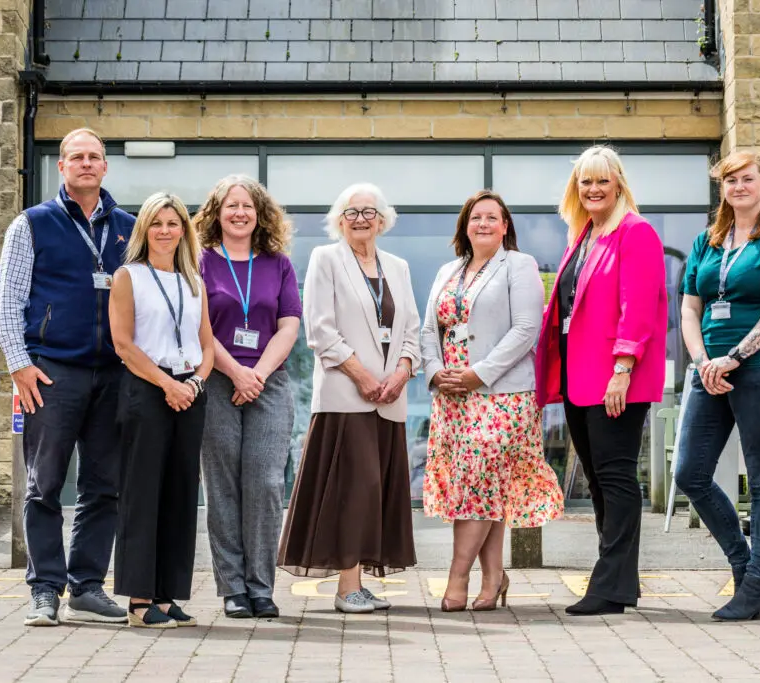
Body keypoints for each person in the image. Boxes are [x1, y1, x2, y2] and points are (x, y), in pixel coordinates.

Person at [0, 128, 133, 626]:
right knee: (44, 484)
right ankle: (45, 588)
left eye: (95, 156)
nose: (87, 164)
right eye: (77, 156)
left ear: (106, 167)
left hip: (115, 374)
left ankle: (88, 586)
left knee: (104, 486)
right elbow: (7, 297)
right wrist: (18, 363)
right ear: (61, 165)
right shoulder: (32, 223)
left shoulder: (128, 228)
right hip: (51, 372)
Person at [534, 146, 668, 616]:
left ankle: (610, 585)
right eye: (584, 182)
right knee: (597, 480)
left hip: (615, 380)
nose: (592, 189)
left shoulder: (636, 233)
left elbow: (639, 308)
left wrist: (623, 369)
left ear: (618, 185)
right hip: (579, 379)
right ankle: (618, 582)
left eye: (601, 181)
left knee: (614, 478)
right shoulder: (583, 236)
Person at [278, 183, 420, 614]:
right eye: (352, 211)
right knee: (354, 489)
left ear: (383, 219)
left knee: (376, 493)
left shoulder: (398, 266)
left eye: (369, 211)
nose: (361, 218)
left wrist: (402, 372)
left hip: (388, 398)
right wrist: (361, 375)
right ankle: (346, 589)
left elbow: (411, 329)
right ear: (340, 220)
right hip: (345, 395)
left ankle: (356, 583)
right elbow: (320, 329)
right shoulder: (327, 259)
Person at [676, 150, 760, 622]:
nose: (738, 187)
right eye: (729, 180)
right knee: (689, 472)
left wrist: (736, 356)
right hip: (710, 370)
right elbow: (691, 308)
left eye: (747, 179)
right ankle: (747, 569)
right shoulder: (707, 241)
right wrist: (702, 360)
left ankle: (753, 587)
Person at [422, 190, 564, 612]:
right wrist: (435, 372)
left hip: (501, 393)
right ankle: (494, 578)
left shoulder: (518, 265)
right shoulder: (449, 270)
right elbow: (431, 330)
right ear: (465, 226)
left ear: (505, 227)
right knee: (482, 487)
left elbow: (525, 330)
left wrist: (477, 373)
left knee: (480, 481)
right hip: (453, 398)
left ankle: (457, 576)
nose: (483, 224)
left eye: (491, 218)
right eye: (475, 218)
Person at [193, 175, 301, 619]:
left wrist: (255, 374)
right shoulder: (198, 262)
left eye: (248, 207)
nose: (240, 213)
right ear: (216, 214)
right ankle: (232, 588)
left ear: (261, 215)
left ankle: (261, 586)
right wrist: (235, 372)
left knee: (266, 484)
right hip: (217, 378)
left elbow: (289, 325)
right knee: (222, 487)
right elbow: (199, 329)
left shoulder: (278, 263)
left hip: (268, 382)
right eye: (231, 206)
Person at [108, 192, 214, 628]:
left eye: (173, 223)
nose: (166, 230)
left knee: (180, 496)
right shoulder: (128, 276)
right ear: (144, 230)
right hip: (148, 390)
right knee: (142, 494)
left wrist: (194, 383)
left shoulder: (194, 281)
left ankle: (168, 596)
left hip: (189, 391)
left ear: (184, 231)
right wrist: (167, 384)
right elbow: (123, 345)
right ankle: (138, 601)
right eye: (157, 223)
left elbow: (206, 344)